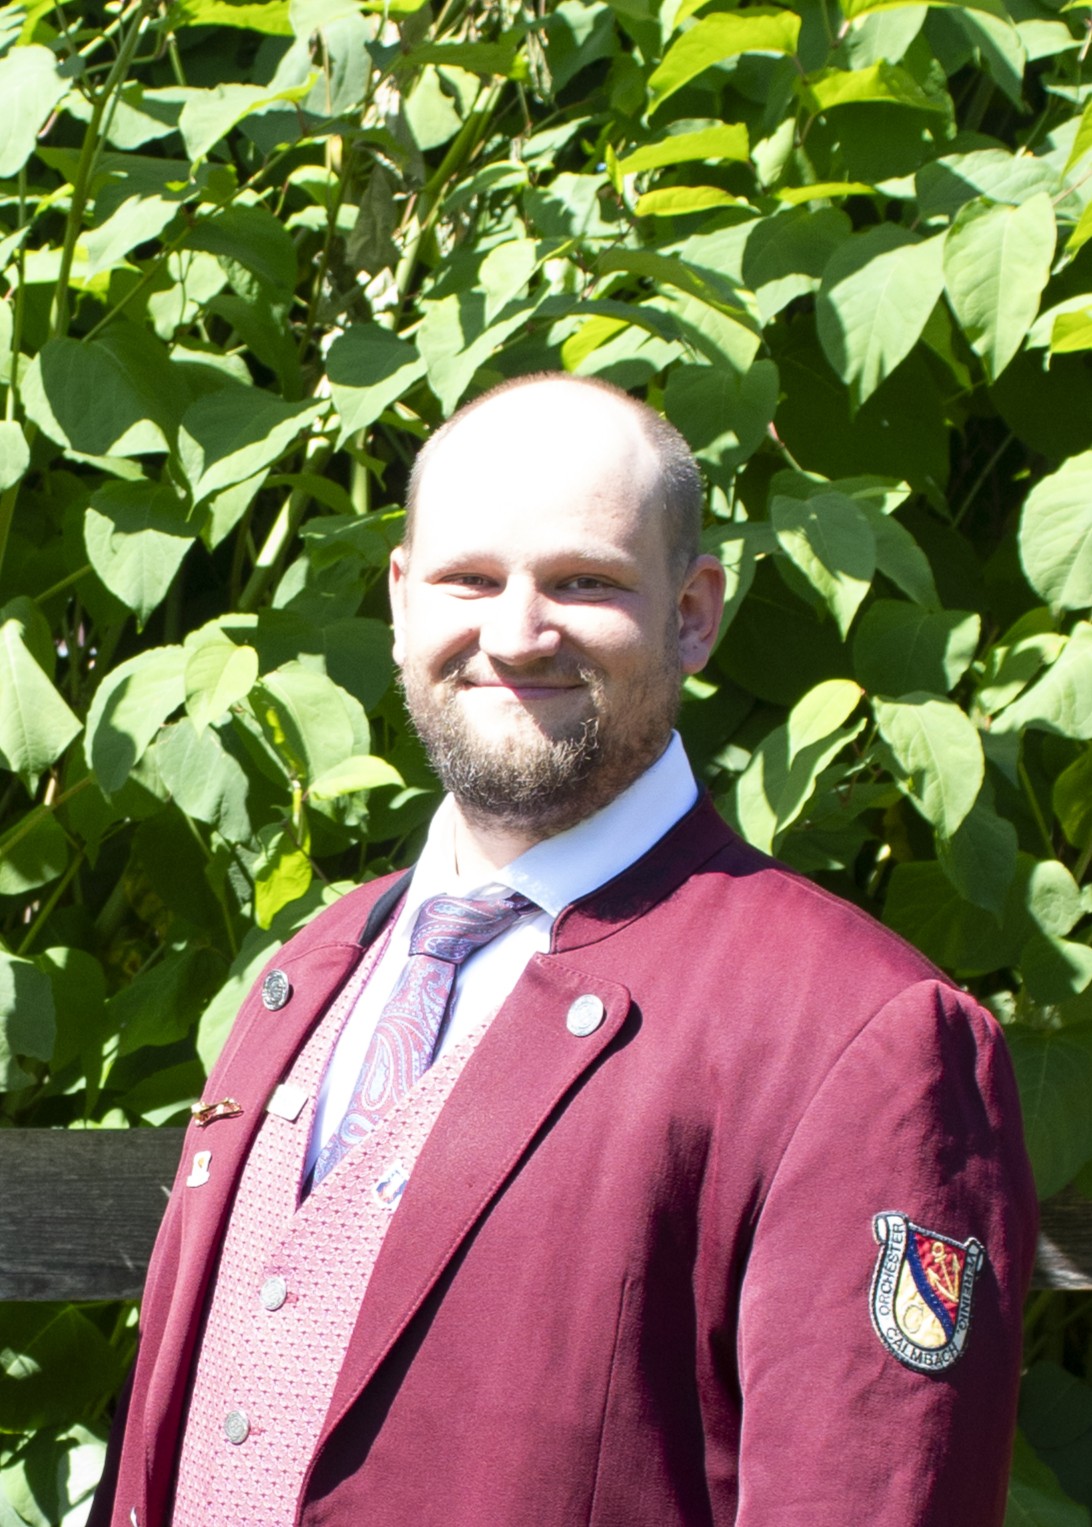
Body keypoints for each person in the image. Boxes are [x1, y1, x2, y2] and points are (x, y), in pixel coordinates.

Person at [90, 373, 1036, 1527]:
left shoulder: (861, 1036)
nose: (515, 633)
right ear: (401, 601)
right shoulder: (312, 969)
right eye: (469, 580)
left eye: (584, 582)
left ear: (694, 613)